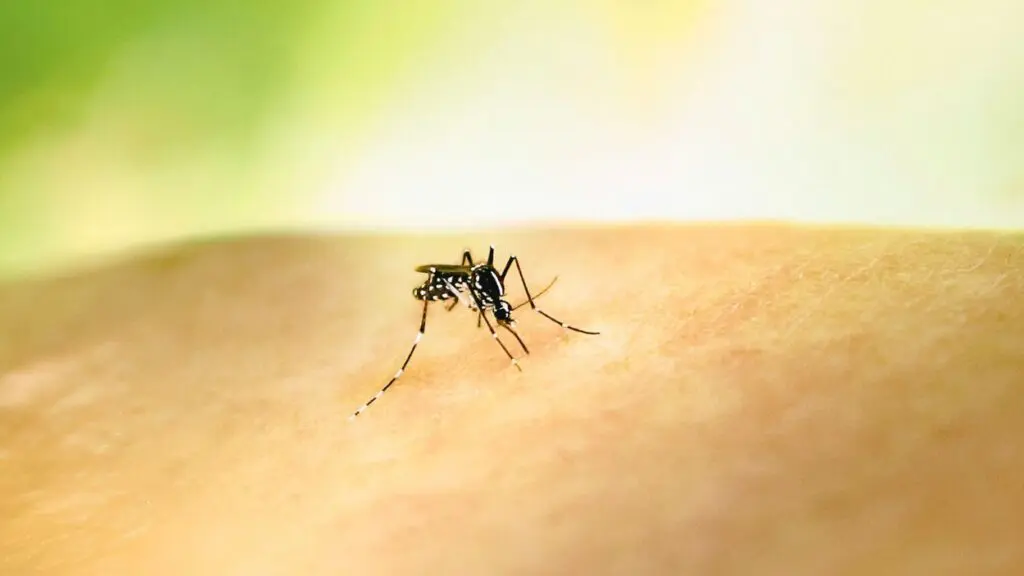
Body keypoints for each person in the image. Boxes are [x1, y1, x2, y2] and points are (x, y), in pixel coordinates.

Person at [2, 225, 1021, 574]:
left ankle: (530, 314)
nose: (480, 298)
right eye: (482, 295)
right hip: (431, 293)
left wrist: (518, 310)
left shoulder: (488, 274)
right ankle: (420, 363)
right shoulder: (442, 292)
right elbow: (444, 289)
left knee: (507, 286)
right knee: (456, 317)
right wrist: (436, 341)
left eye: (485, 294)